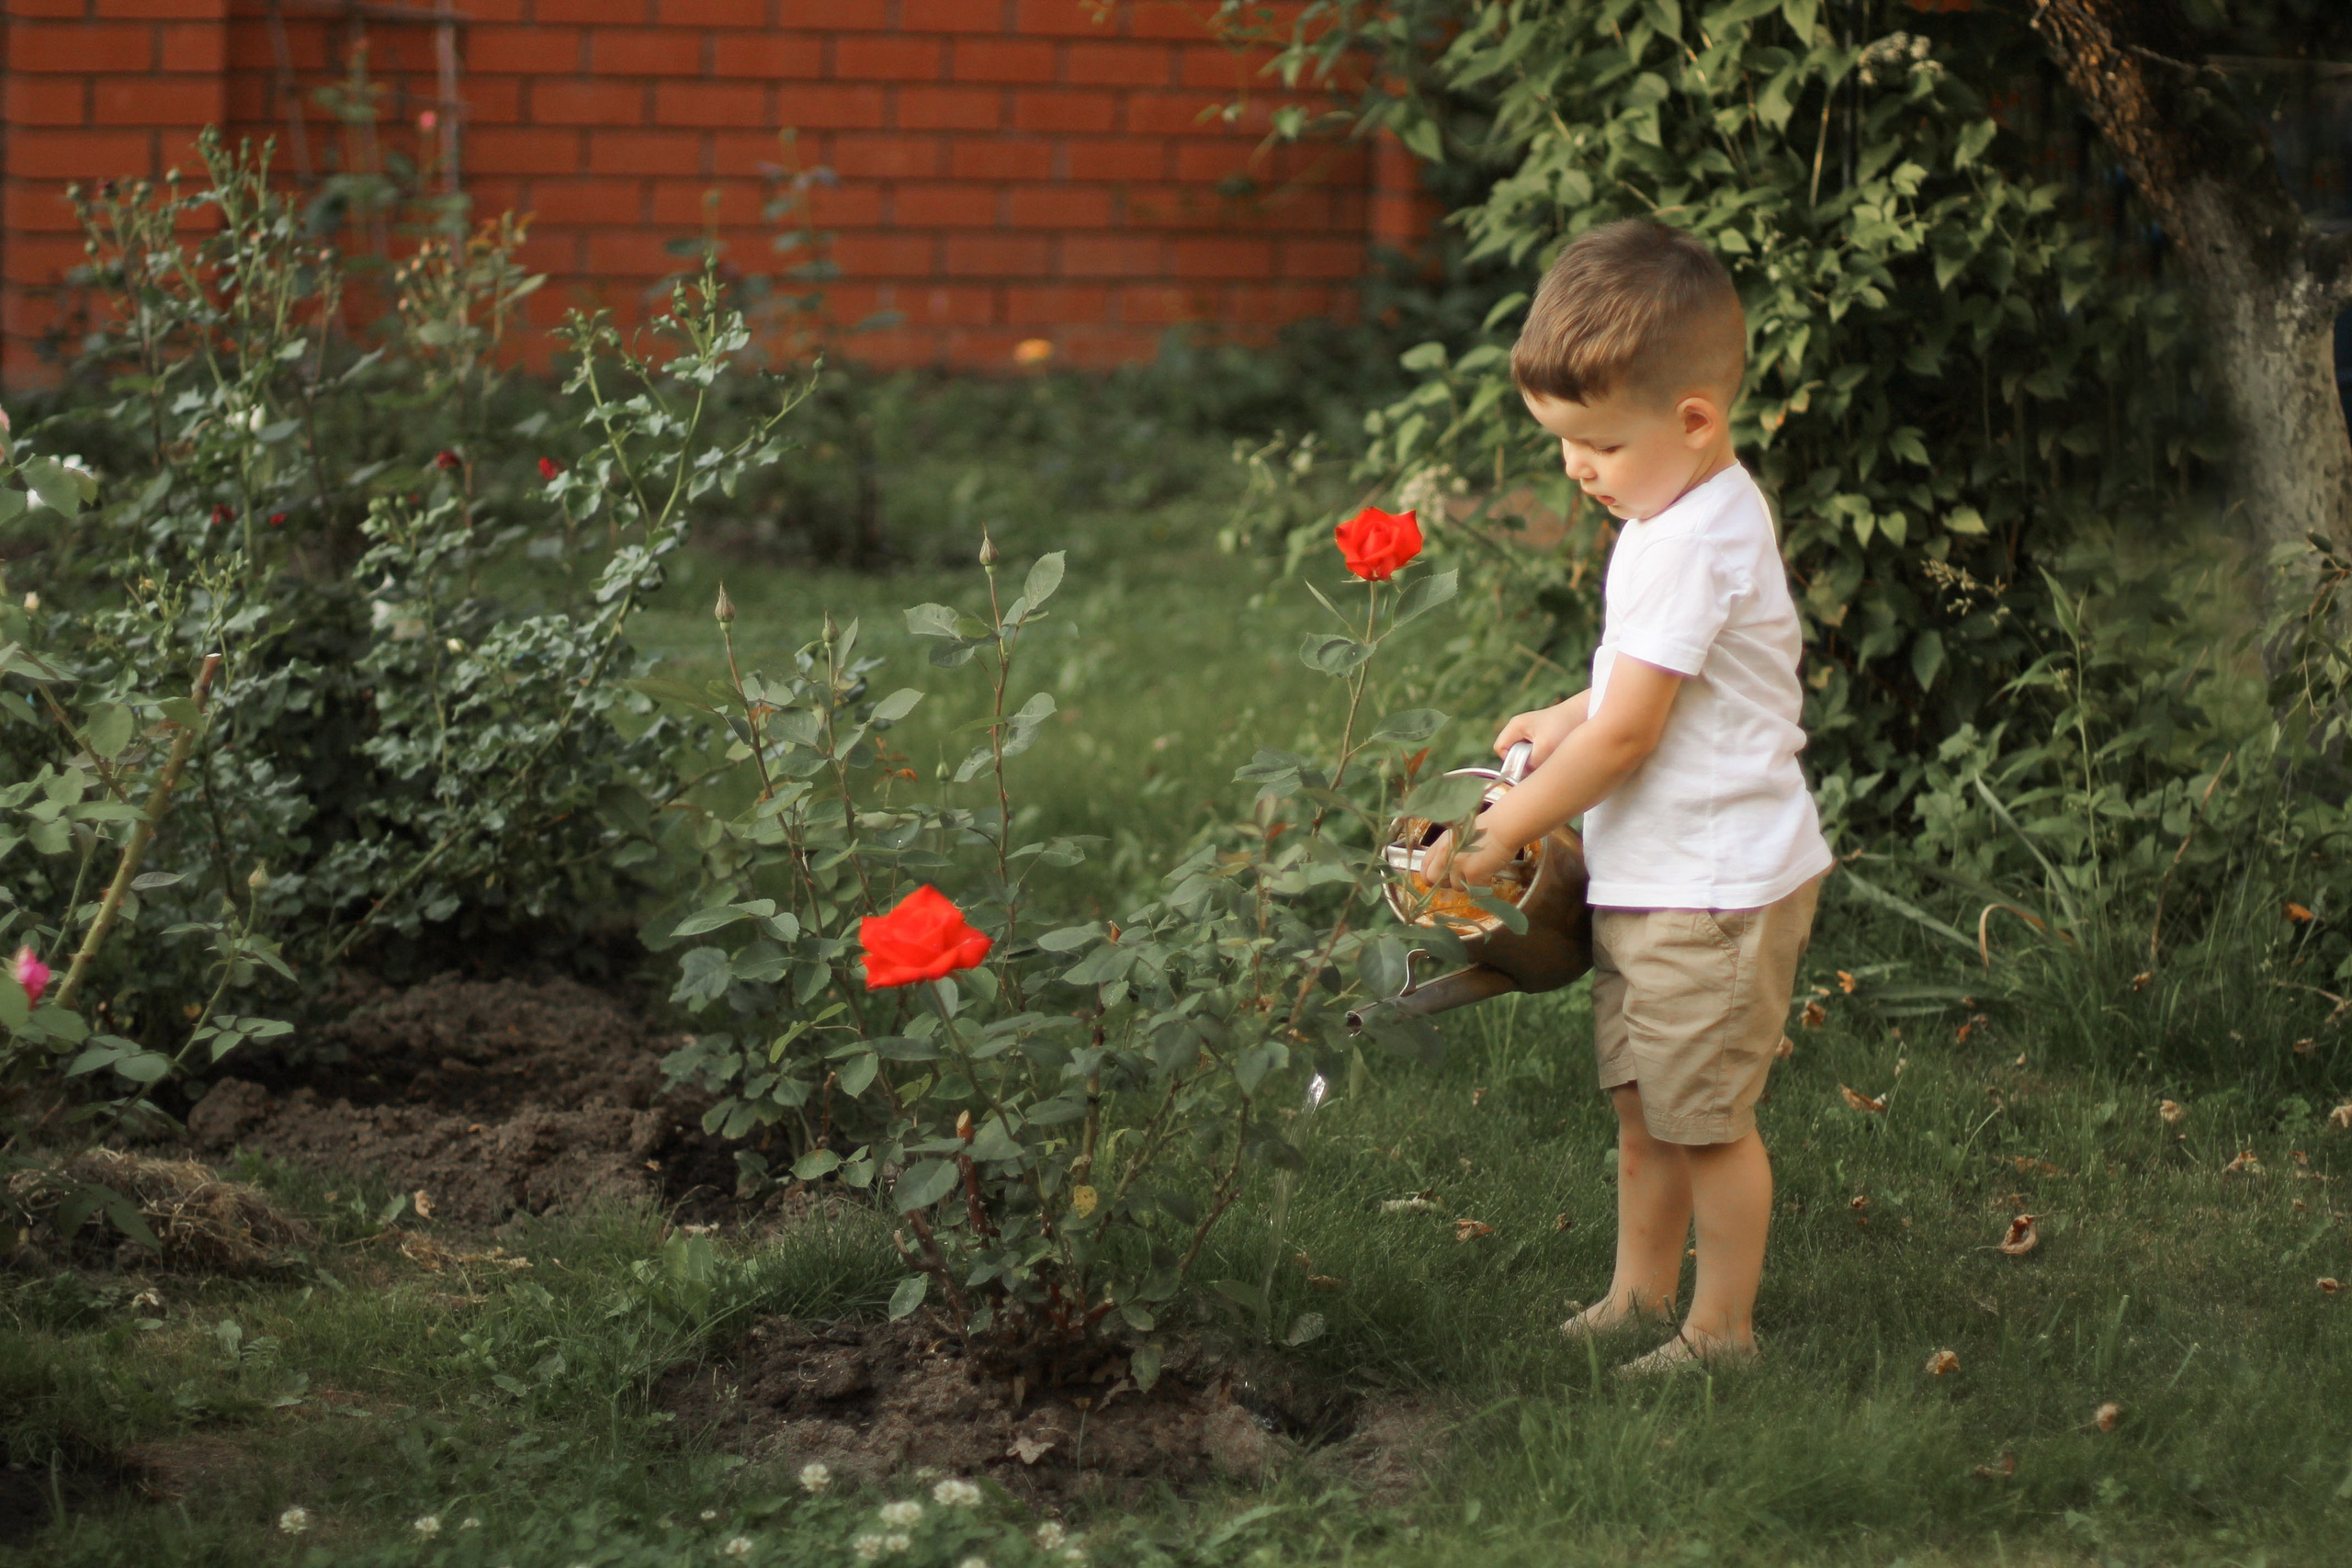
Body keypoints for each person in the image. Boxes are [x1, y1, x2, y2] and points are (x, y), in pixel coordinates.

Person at [1425, 219, 1834, 1374]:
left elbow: (1630, 740)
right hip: (1662, 878)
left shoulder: (1687, 541)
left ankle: (1722, 1332)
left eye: (1596, 443)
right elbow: (1642, 683)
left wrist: (1513, 816)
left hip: (1710, 888)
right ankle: (1638, 1298)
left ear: (1693, 419)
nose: (1575, 468)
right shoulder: (1676, 510)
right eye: (1562, 441)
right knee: (1644, 1110)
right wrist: (1568, 712)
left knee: (1705, 1125)